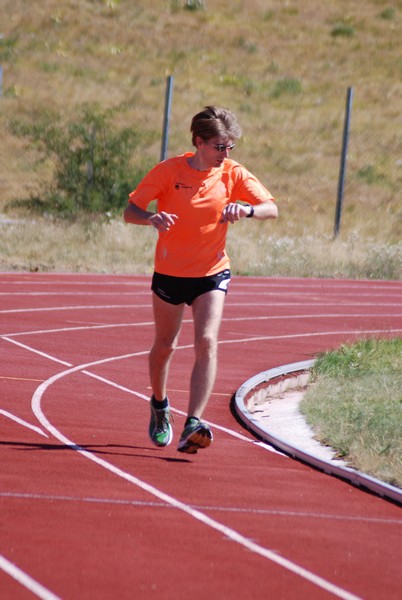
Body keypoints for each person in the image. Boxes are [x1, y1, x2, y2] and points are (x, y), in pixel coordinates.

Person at [123, 105, 278, 454]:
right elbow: (129, 211)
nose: (226, 154)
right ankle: (160, 405)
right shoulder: (168, 170)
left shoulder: (233, 173)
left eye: (230, 147)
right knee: (165, 345)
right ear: (199, 142)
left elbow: (272, 208)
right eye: (220, 147)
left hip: (212, 272)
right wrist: (150, 218)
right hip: (170, 273)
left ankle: (193, 421)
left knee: (207, 341)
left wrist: (247, 210)